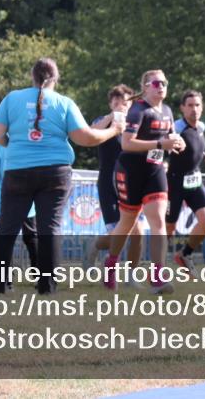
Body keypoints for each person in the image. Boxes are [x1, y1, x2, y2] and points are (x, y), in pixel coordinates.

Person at [0, 58, 123, 295]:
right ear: (56, 79)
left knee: (7, 227)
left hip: (17, 170)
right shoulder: (64, 103)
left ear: (32, 76)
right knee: (50, 228)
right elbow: (85, 138)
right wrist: (115, 130)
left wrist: (13, 145)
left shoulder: (12, 99)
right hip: (55, 172)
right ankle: (47, 287)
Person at [104, 70, 184, 295]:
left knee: (158, 220)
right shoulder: (138, 110)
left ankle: (157, 275)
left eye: (165, 83)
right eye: (157, 83)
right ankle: (111, 263)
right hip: (130, 171)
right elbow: (126, 144)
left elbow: (170, 137)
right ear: (146, 87)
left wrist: (178, 144)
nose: (162, 87)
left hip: (155, 171)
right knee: (128, 222)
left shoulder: (167, 110)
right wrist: (161, 144)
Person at [84, 85, 146, 281]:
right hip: (108, 185)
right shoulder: (102, 121)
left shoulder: (136, 124)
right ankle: (95, 247)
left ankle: (131, 276)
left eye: (125, 102)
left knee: (138, 232)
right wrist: (113, 118)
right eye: (116, 103)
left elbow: (147, 148)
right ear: (110, 104)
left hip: (131, 184)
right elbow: (91, 133)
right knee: (117, 234)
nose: (121, 106)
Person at [166, 90, 205, 270]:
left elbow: (194, 149)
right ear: (182, 108)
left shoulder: (201, 127)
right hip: (174, 182)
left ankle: (184, 255)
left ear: (202, 107)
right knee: (168, 229)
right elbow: (164, 145)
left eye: (197, 105)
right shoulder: (175, 127)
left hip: (194, 182)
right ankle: (157, 268)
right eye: (189, 105)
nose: (194, 109)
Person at [0, 139, 38, 287]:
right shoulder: (28, 137)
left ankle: (5, 280)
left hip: (6, 196)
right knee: (32, 237)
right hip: (29, 195)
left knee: (5, 238)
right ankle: (40, 277)